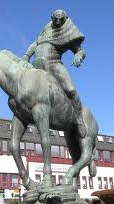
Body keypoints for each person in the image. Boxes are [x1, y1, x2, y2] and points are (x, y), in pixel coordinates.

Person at [23, 9, 86, 138]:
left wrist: (78, 56)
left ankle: (79, 119)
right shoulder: (46, 28)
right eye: (55, 19)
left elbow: (79, 50)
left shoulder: (68, 30)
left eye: (60, 19)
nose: (57, 22)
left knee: (71, 90)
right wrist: (26, 55)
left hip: (53, 63)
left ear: (65, 18)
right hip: (36, 65)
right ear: (51, 17)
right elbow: (36, 43)